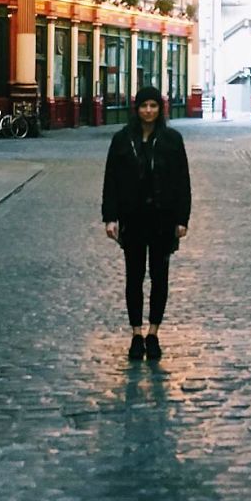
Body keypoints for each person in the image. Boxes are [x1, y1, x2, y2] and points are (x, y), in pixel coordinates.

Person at [102, 86, 191, 360]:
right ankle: (136, 334)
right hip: (133, 218)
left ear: (160, 108)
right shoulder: (122, 139)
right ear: (136, 108)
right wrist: (110, 217)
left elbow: (182, 182)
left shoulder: (172, 139)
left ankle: (154, 333)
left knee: (160, 277)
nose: (148, 111)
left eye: (153, 106)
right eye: (144, 106)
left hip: (162, 219)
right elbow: (111, 180)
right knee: (134, 277)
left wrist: (182, 219)